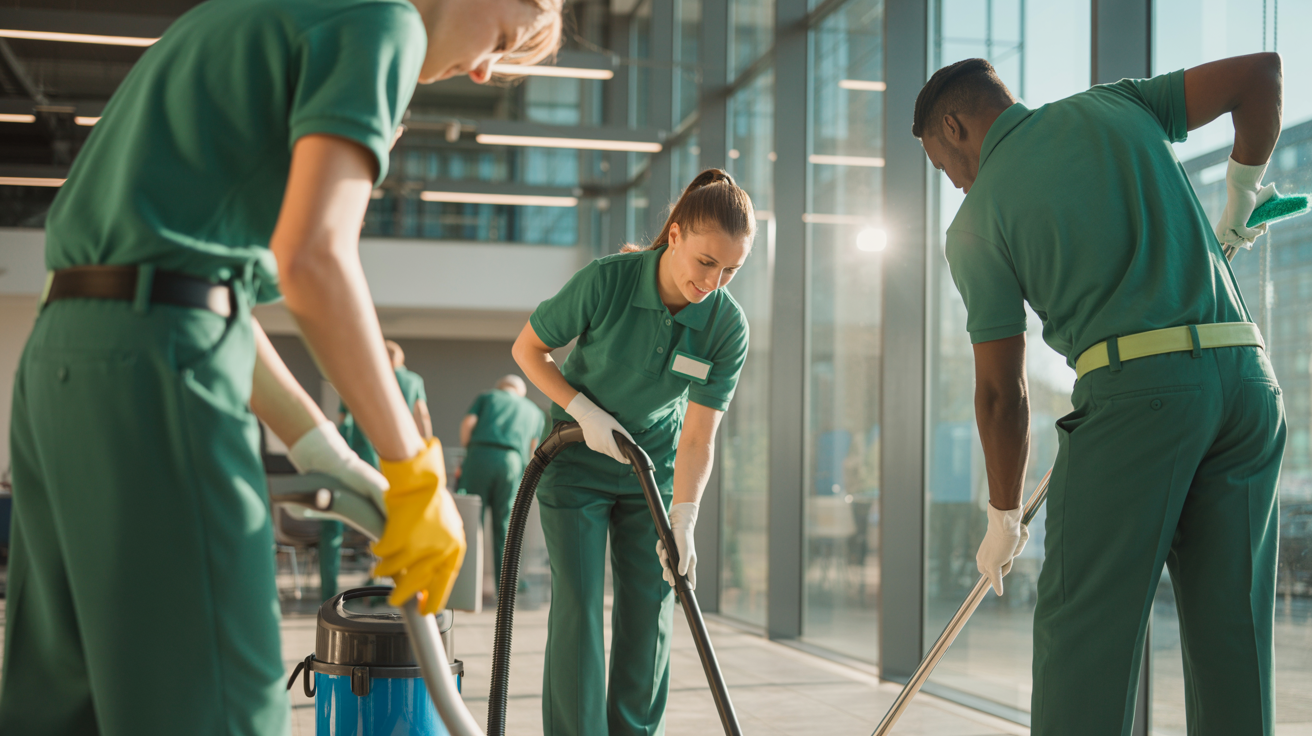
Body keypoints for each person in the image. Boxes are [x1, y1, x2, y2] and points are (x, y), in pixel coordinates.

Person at [0, 0, 562, 733]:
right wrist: (411, 467)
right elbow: (314, 258)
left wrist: (324, 450)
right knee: (218, 706)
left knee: (64, 705)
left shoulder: (249, 18)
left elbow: (201, 291)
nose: (485, 70)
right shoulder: (383, 21)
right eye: (504, 39)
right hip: (159, 375)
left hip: (64, 361)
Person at [914, 55, 1286, 735]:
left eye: (943, 165)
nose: (956, 182)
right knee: (1234, 631)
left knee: (1083, 634)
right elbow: (1261, 76)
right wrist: (1241, 191)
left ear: (954, 126)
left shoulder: (975, 223)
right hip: (1248, 387)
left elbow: (1001, 392)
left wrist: (1003, 514)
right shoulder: (1119, 105)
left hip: (1139, 401)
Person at [512, 169, 755, 736]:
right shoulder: (608, 281)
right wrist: (584, 412)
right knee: (578, 612)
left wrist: (685, 518)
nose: (713, 281)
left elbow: (698, 436)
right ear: (675, 234)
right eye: (705, 262)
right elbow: (528, 349)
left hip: (654, 471)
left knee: (651, 610)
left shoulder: (726, 325)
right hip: (574, 463)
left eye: (730, 270)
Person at [321, 339, 432, 600]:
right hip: (397, 463)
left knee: (332, 521)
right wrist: (425, 458)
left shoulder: (359, 374)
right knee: (392, 524)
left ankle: (328, 591)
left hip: (358, 460)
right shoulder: (412, 380)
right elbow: (423, 418)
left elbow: (342, 420)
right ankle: (386, 584)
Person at [456, 374, 545, 590]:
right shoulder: (534, 411)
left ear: (501, 387)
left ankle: (465, 586)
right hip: (512, 463)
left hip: (480, 455)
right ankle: (506, 588)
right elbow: (533, 449)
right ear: (521, 391)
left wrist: (469, 451)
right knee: (506, 525)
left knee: (469, 520)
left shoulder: (488, 397)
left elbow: (468, 424)